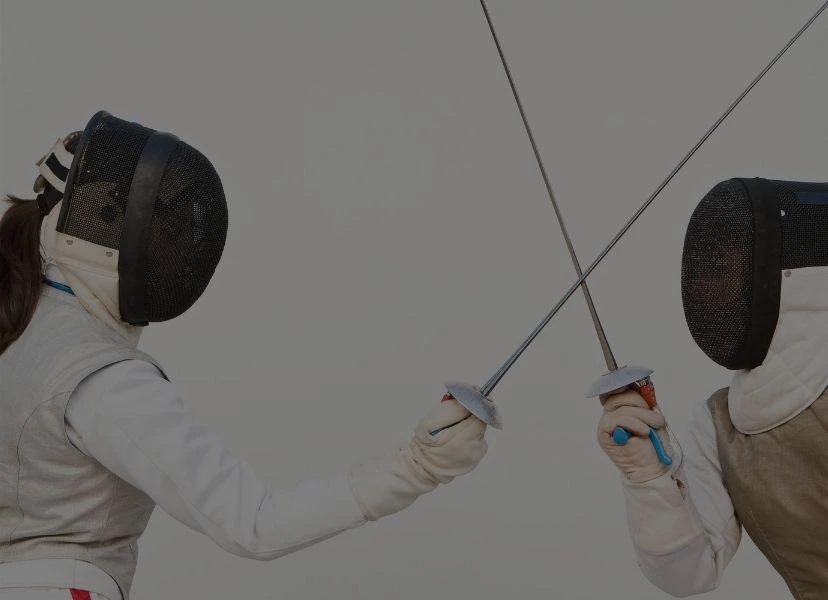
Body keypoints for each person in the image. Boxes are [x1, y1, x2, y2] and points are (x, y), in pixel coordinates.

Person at [0, 111, 492, 600]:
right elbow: (254, 524)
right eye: (163, 227)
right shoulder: (101, 377)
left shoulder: (17, 333)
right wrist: (416, 467)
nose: (175, 249)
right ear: (101, 229)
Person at [596, 177, 828, 599]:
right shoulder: (723, 423)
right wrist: (649, 478)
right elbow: (687, 574)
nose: (712, 283)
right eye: (710, 267)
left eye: (732, 265)